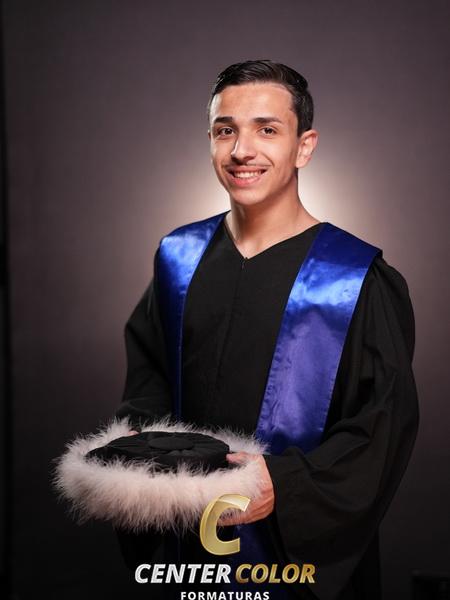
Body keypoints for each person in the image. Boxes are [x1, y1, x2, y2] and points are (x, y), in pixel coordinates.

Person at [113, 60, 419, 600]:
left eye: (267, 130)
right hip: (189, 549)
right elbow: (149, 377)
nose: (241, 150)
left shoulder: (353, 279)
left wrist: (289, 486)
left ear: (304, 146)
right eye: (225, 130)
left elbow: (381, 427)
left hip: (292, 560)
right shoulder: (178, 258)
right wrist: (145, 446)